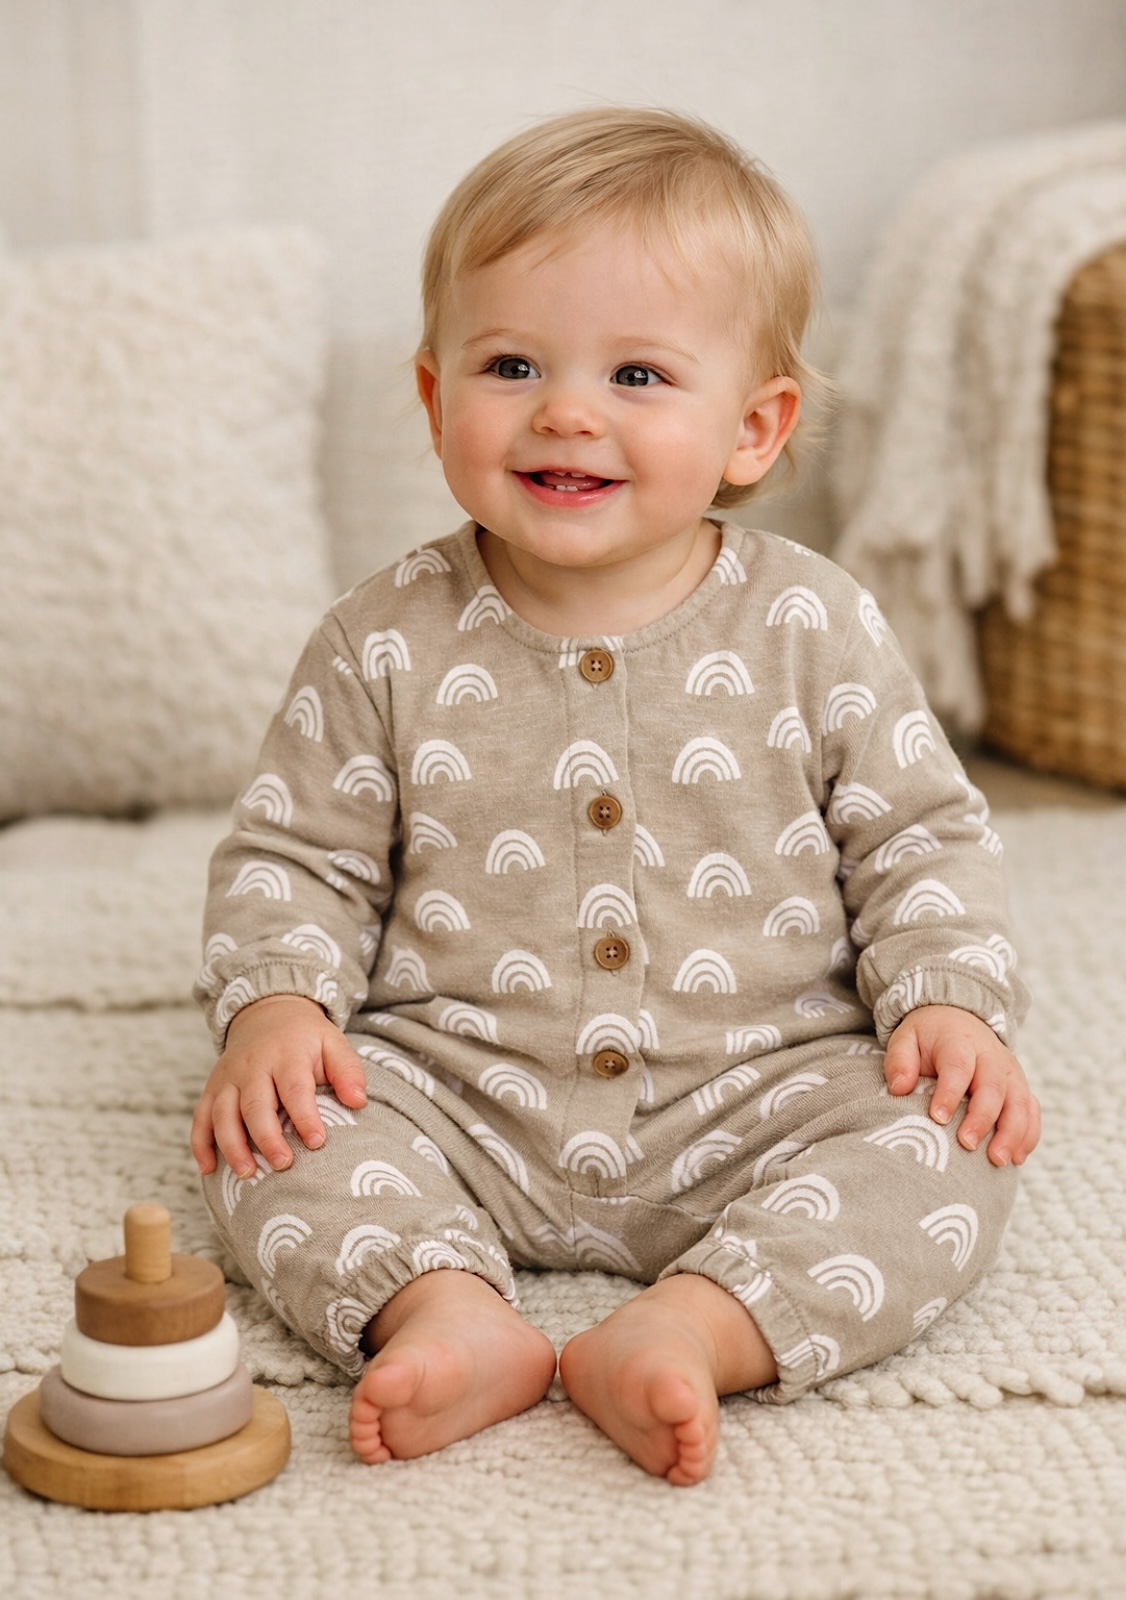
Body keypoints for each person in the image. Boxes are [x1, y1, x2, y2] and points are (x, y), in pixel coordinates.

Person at [191, 106, 1040, 1487]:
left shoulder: (813, 625)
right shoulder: (383, 638)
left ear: (754, 428)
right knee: (263, 1131)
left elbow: (921, 835)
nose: (566, 412)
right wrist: (279, 1009)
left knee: (952, 1148)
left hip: (759, 1092)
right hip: (458, 1091)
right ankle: (445, 1308)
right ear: (432, 399)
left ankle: (699, 1327)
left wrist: (948, 1000)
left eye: (639, 374)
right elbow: (298, 853)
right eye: (512, 364)